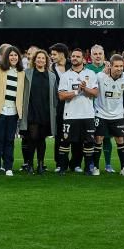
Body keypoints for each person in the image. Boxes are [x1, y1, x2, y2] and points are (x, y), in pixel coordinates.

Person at [57, 48, 99, 175]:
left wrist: (85, 88)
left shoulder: (91, 74)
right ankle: (63, 167)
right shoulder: (65, 75)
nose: (75, 58)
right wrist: (77, 92)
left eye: (77, 56)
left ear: (83, 59)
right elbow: (61, 96)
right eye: (73, 56)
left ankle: (88, 168)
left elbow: (95, 93)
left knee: (88, 142)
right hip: (70, 114)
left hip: (87, 114)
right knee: (65, 141)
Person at [0, 46, 26, 176]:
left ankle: (8, 167)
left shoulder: (21, 72)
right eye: (11, 55)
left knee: (10, 140)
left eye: (16, 55)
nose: (14, 57)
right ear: (6, 57)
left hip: (13, 111)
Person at [20, 49, 57, 175]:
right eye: (38, 58)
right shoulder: (27, 73)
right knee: (32, 138)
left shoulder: (52, 76)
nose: (40, 60)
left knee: (42, 139)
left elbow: (54, 95)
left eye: (43, 58)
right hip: (31, 110)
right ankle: (30, 164)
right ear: (34, 60)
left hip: (46, 112)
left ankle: (41, 164)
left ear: (46, 60)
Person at [94, 54, 124, 176]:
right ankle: (95, 167)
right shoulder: (100, 76)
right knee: (98, 139)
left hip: (117, 115)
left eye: (121, 66)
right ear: (110, 66)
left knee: (120, 140)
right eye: (116, 66)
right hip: (101, 113)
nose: (119, 69)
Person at [87, 44, 112, 172]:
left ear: (104, 55)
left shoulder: (110, 68)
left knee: (106, 137)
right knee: (92, 138)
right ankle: (91, 163)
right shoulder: (86, 69)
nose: (97, 56)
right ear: (91, 56)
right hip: (89, 109)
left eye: (100, 54)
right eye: (95, 54)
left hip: (106, 109)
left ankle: (108, 164)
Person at [49, 43, 69, 172]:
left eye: (54, 54)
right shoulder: (51, 68)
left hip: (74, 105)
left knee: (74, 136)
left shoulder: (72, 67)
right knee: (59, 135)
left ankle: (75, 164)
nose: (52, 57)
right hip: (58, 107)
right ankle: (59, 163)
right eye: (51, 54)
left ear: (62, 54)